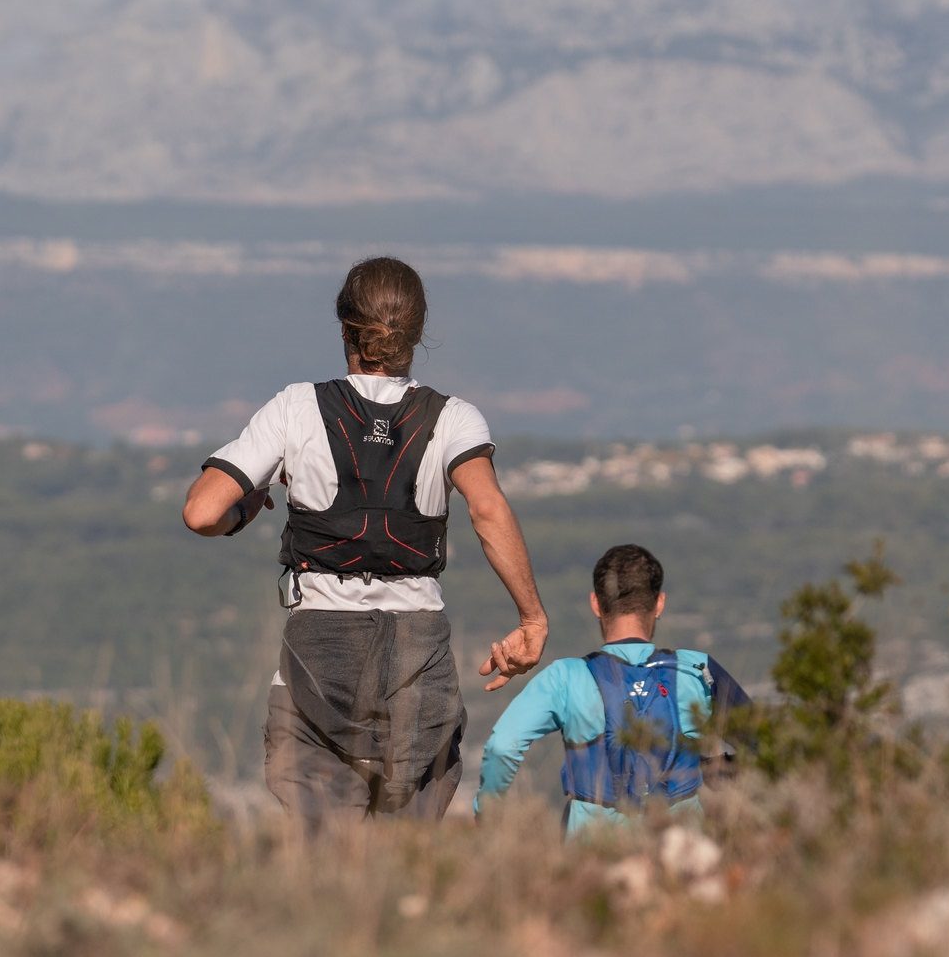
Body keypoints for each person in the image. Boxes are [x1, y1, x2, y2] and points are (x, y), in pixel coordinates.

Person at [182, 256, 549, 826]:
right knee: (407, 839)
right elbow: (487, 509)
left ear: (344, 327)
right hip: (418, 645)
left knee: (321, 839)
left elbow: (203, 512)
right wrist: (532, 620)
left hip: (320, 642)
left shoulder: (296, 408)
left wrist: (247, 511)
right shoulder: (454, 418)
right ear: (419, 331)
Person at [475, 543, 751, 838]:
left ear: (595, 603)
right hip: (683, 847)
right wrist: (714, 770)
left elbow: (503, 747)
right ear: (659, 604)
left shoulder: (564, 676)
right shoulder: (699, 669)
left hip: (592, 850)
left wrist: (486, 816)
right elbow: (765, 746)